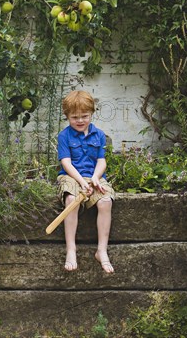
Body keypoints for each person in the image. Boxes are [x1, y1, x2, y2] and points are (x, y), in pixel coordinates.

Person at [56, 90, 115, 273]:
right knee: (72, 201)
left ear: (91, 114)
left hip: (94, 176)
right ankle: (71, 249)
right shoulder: (64, 136)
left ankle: (101, 250)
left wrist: (96, 178)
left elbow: (101, 161)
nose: (80, 121)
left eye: (84, 116)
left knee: (105, 201)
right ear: (67, 116)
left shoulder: (99, 135)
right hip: (72, 176)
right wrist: (81, 182)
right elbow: (66, 163)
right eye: (75, 117)